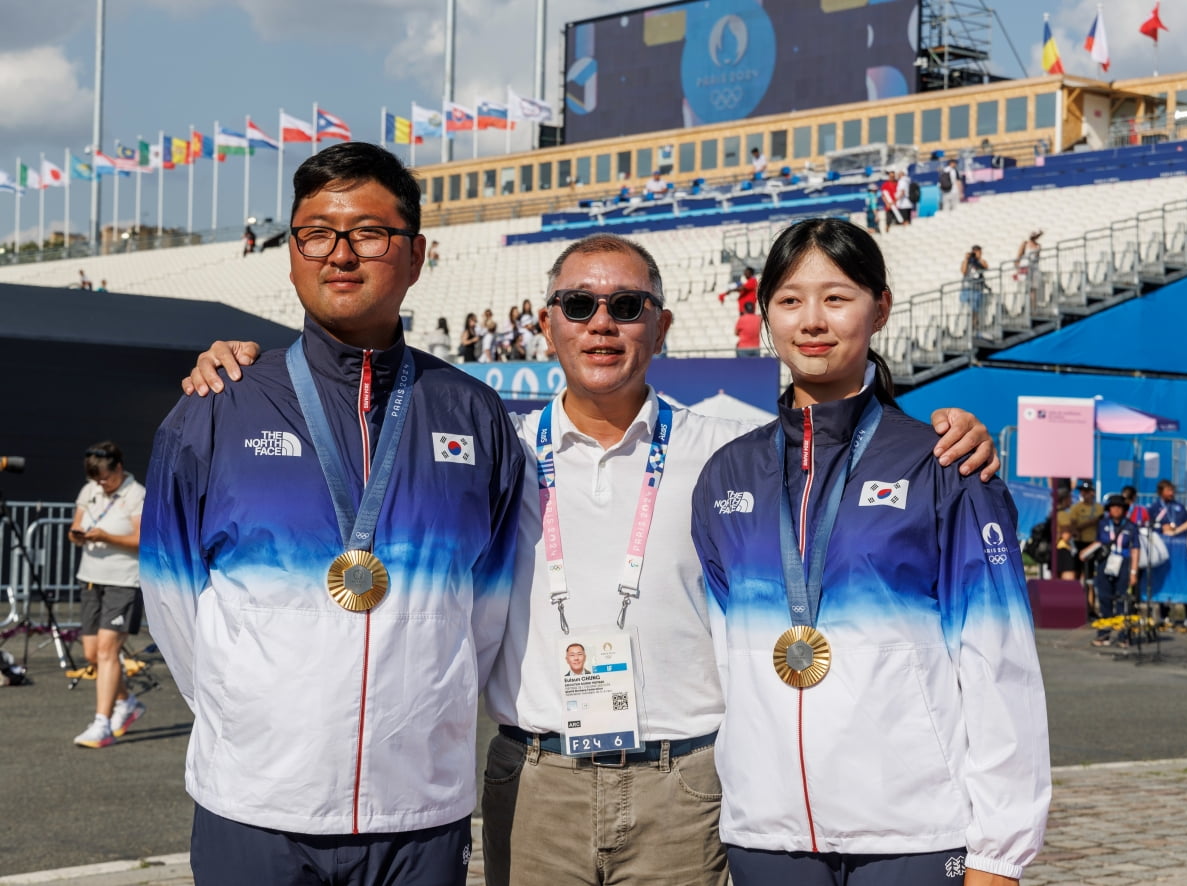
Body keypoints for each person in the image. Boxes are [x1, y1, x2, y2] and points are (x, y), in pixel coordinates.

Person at [181, 233, 1000, 886]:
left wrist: (946, 431)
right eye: (578, 304)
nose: (601, 323)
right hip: (537, 780)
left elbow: (835, 466)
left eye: (626, 305)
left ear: (663, 325)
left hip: (683, 784)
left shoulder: (729, 456)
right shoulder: (493, 445)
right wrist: (244, 363)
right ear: (547, 325)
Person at [140, 142, 525, 886]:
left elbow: (483, 616)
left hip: (418, 814)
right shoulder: (219, 405)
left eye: (369, 233)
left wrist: (419, 705)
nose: (340, 255)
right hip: (255, 807)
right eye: (316, 233)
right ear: (291, 253)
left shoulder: (473, 416)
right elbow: (173, 605)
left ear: (416, 255)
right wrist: (250, 714)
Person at [690, 217, 1050, 885]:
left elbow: (1001, 666)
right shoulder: (727, 476)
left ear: (879, 308)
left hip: (911, 831)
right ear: (766, 314)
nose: (812, 320)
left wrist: (1000, 853)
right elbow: (723, 661)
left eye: (837, 297)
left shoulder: (944, 463)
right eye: (790, 300)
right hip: (765, 833)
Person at [69, 442, 147, 749]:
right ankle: (127, 702)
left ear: (118, 468)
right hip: (90, 579)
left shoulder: (135, 493)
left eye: (106, 477)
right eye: (96, 478)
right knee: (92, 654)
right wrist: (78, 534)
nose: (101, 483)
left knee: (107, 651)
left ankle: (102, 723)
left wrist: (106, 537)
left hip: (123, 581)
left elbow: (141, 539)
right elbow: (75, 526)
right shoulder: (89, 490)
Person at [1091, 494, 1141, 647]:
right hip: (1106, 564)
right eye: (1113, 507)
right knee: (1104, 598)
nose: (1116, 509)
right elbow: (1099, 542)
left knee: (1122, 600)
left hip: (1124, 563)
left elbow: (1135, 549)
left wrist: (1133, 571)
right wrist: (1085, 552)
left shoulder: (1131, 526)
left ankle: (1123, 635)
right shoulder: (1103, 524)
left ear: (1124, 510)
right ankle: (1104, 634)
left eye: (1119, 507)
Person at [960, 244, 990, 338]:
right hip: (967, 288)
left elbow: (985, 268)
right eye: (975, 251)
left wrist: (978, 259)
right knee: (965, 309)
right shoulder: (967, 262)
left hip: (977, 289)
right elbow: (964, 271)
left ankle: (974, 328)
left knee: (975, 310)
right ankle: (964, 328)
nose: (977, 253)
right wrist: (966, 259)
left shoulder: (982, 261)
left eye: (979, 252)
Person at [1016, 230, 1043, 310]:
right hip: (1025, 267)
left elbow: (1037, 258)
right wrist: (1018, 267)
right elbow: (1019, 255)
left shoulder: (1038, 245)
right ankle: (1025, 306)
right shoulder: (1025, 243)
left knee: (1033, 288)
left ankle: (1033, 307)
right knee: (1026, 287)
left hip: (1033, 268)